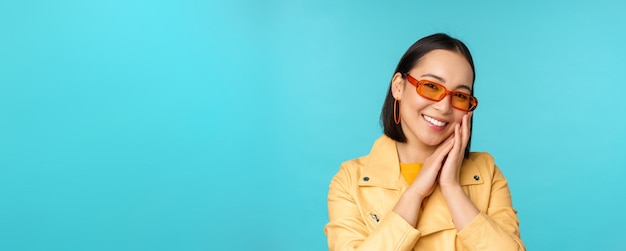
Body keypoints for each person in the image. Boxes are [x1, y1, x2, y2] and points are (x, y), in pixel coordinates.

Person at [324, 33, 525, 251]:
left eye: (460, 96)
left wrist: (452, 187)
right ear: (398, 87)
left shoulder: (487, 174)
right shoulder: (350, 182)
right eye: (431, 86)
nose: (444, 107)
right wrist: (416, 191)